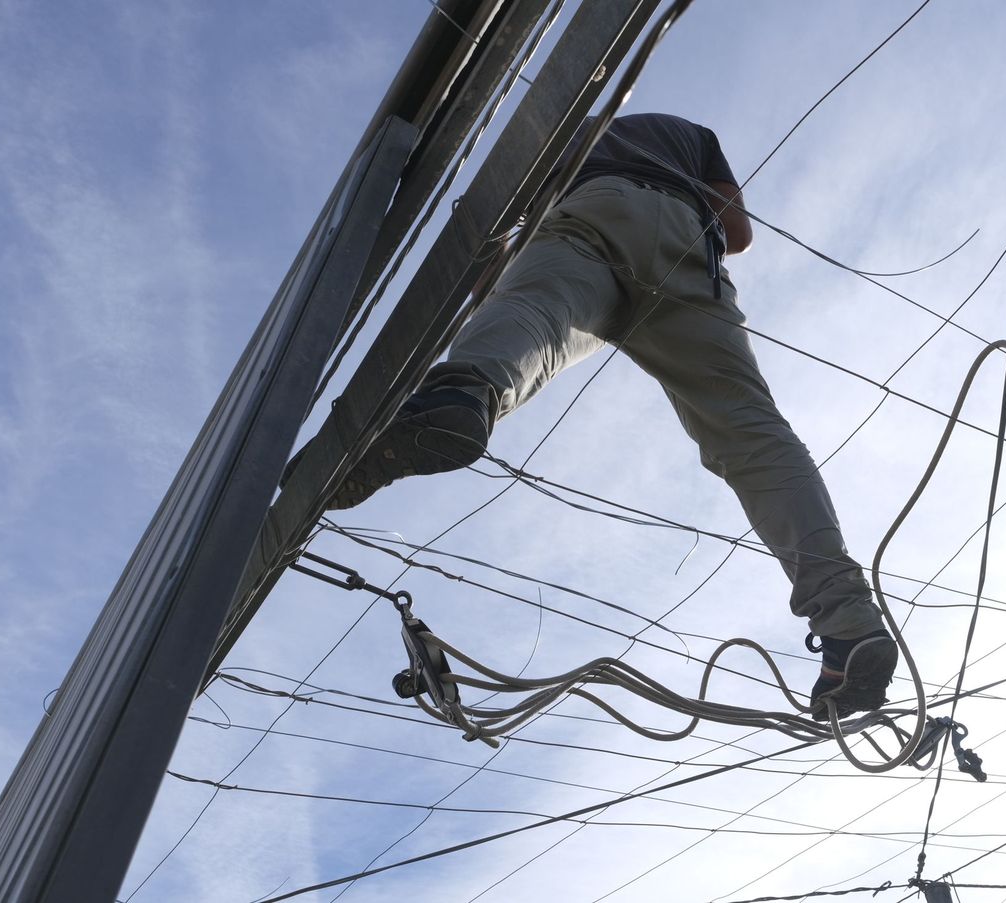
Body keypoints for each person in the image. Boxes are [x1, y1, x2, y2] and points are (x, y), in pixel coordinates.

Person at [297, 113, 896, 716]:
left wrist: (501, 298)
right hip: (685, 236)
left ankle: (461, 395)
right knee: (749, 432)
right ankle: (849, 621)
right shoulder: (688, 135)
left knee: (538, 314)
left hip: (583, 213)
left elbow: (492, 254)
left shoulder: (556, 132)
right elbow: (736, 230)